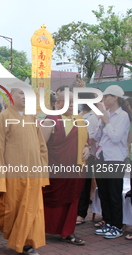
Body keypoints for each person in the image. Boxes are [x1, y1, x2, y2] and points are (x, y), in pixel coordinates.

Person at [0, 87, 49, 254]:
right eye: (20, 93)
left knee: (31, 210)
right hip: (12, 172)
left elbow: (41, 145)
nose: (25, 97)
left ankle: (27, 244)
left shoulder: (31, 117)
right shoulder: (4, 117)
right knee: (8, 208)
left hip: (33, 173)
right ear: (10, 97)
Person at [41, 89, 89, 245]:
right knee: (49, 200)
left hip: (74, 170)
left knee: (72, 201)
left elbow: (85, 142)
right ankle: (40, 230)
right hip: (55, 171)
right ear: (58, 103)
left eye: (74, 102)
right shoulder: (51, 120)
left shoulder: (79, 120)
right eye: (68, 102)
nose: (72, 105)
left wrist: (87, 148)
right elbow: (40, 146)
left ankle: (67, 232)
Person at [93, 85, 130, 239]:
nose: (104, 99)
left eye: (106, 96)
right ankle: (108, 221)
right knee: (104, 192)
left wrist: (107, 122)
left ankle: (117, 225)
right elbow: (96, 137)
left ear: (115, 97)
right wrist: (102, 123)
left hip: (115, 158)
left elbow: (116, 138)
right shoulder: (106, 114)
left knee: (114, 193)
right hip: (102, 156)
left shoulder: (123, 116)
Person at [76, 93, 99, 225]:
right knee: (78, 185)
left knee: (84, 185)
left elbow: (89, 139)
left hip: (88, 155)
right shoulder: (80, 114)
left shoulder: (92, 117)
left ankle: (82, 214)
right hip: (76, 154)